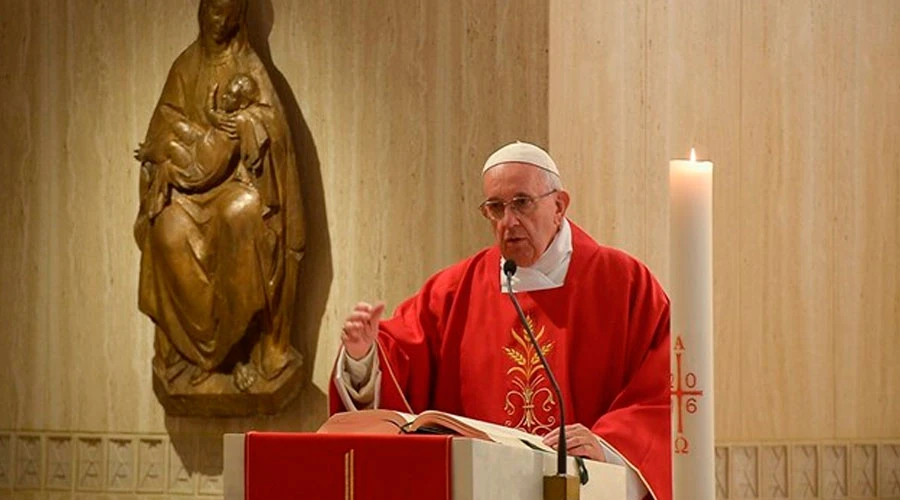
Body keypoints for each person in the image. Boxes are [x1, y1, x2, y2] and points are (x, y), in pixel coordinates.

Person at [330, 142, 671, 500]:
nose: (508, 222)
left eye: (522, 203)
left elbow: (661, 390)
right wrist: (362, 356)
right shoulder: (452, 291)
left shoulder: (623, 282)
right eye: (495, 208)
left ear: (559, 205)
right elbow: (402, 359)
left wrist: (607, 448)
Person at [134, 0, 305, 389]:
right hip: (188, 190)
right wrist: (172, 152)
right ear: (201, 10)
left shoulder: (250, 69)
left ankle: (238, 351)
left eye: (229, 13)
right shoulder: (185, 67)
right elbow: (162, 126)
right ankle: (192, 352)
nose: (219, 20)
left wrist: (245, 123)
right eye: (213, 10)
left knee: (243, 215)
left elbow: (275, 132)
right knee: (167, 233)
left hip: (236, 186)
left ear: (239, 17)